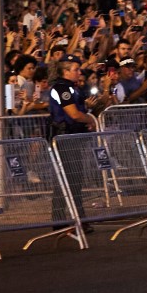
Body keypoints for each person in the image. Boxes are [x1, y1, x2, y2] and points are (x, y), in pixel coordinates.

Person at [46, 59, 97, 230]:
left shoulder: (72, 88)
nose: (79, 72)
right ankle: (61, 220)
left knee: (75, 180)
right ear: (66, 72)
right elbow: (73, 114)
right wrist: (89, 119)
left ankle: (78, 219)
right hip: (64, 137)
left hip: (72, 137)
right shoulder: (62, 88)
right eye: (76, 69)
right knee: (66, 180)